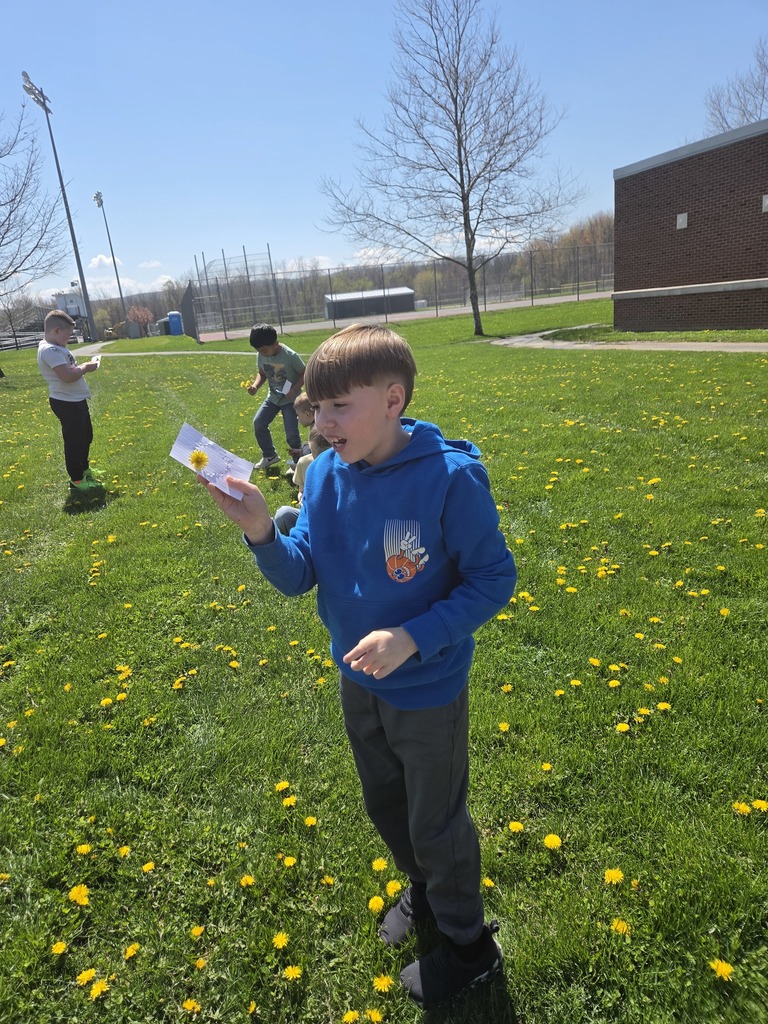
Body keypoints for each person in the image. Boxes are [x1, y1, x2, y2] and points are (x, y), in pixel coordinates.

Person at [198, 324, 517, 1009]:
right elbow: (300, 574)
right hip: (358, 682)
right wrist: (261, 531)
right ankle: (423, 889)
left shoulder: (449, 479)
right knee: (386, 804)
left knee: (438, 822)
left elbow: (493, 579)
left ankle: (469, 947)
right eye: (316, 407)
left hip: (427, 689)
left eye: (340, 406)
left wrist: (412, 637)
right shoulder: (323, 476)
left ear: (394, 400)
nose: (322, 423)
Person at [37, 310, 104, 497]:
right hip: (66, 403)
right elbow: (67, 376)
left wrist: (82, 367)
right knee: (75, 441)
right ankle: (76, 479)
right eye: (68, 335)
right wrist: (86, 367)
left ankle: (84, 470)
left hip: (75, 400)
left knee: (86, 436)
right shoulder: (49, 350)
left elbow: (69, 370)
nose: (69, 339)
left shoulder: (56, 347)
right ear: (57, 330)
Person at [246, 323, 305, 470]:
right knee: (259, 423)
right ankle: (269, 455)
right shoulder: (261, 354)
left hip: (290, 400)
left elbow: (304, 373)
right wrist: (255, 386)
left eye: (265, 350)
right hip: (273, 398)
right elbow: (262, 373)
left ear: (276, 343)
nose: (262, 354)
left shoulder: (290, 356)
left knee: (291, 434)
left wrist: (294, 389)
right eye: (259, 351)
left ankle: (298, 463)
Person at [274, 426, 332, 535]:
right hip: (308, 516)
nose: (316, 459)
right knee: (283, 515)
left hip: (333, 523)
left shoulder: (345, 465)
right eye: (313, 452)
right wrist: (301, 499)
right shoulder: (304, 462)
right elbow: (301, 490)